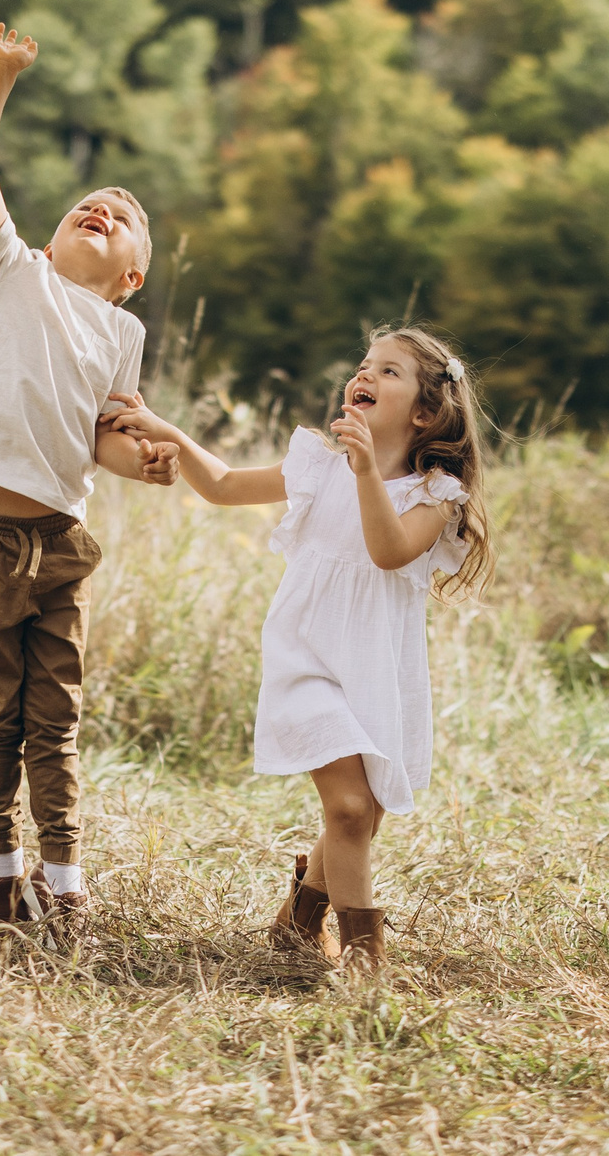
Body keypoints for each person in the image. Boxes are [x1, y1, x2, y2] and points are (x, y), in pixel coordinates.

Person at [107, 328, 491, 969]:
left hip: (375, 671)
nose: (364, 375)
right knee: (348, 808)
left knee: (363, 817)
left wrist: (366, 472)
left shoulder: (436, 495)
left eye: (388, 371)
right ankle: (366, 959)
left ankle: (298, 921)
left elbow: (388, 550)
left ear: (425, 412)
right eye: (364, 365)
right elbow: (222, 484)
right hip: (305, 660)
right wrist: (166, 430)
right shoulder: (318, 466)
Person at [0, 21, 178, 927]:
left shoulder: (122, 331)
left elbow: (102, 440)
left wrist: (141, 463)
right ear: (47, 236)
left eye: (123, 217)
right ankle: (3, 876)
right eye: (89, 202)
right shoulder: (13, 272)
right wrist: (0, 74)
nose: (102, 209)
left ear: (132, 275)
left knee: (57, 717)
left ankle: (64, 877)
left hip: (61, 541)